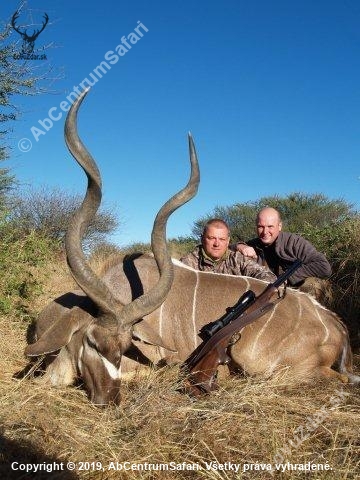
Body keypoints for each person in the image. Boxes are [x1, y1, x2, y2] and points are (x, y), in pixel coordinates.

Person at [233, 207, 332, 302]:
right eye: (260, 227)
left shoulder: (294, 242)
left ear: (279, 226)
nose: (265, 232)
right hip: (269, 292)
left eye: (270, 226)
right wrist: (240, 246)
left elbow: (324, 267)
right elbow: (225, 249)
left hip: (295, 289)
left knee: (312, 285)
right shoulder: (253, 244)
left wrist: (288, 277)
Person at [180, 218, 276, 282]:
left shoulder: (237, 259)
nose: (216, 244)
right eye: (211, 238)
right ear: (202, 238)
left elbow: (268, 276)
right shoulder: (189, 262)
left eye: (222, 239)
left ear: (228, 241)